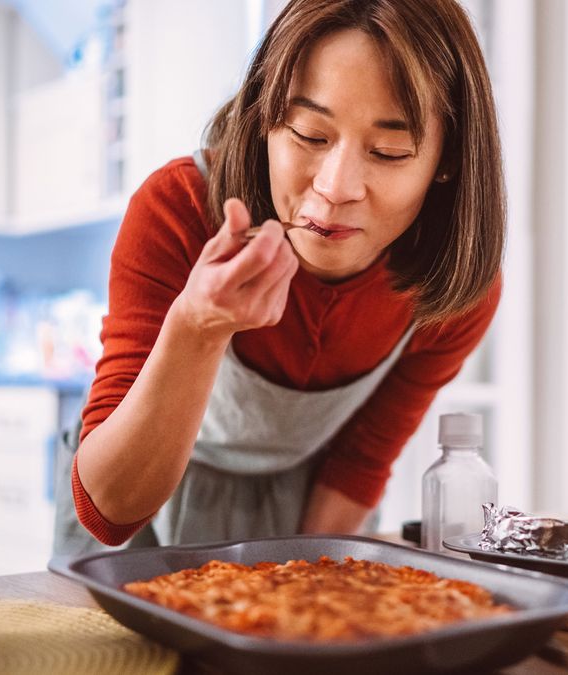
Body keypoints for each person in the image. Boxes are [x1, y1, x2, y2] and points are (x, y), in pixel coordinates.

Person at [54, 0, 504, 555]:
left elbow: (361, 462)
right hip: (137, 491)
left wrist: (300, 583)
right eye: (310, 135)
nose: (337, 187)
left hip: (306, 504)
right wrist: (198, 328)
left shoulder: (447, 288)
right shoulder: (178, 209)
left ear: (447, 161)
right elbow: (109, 512)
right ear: (264, 118)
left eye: (388, 152)